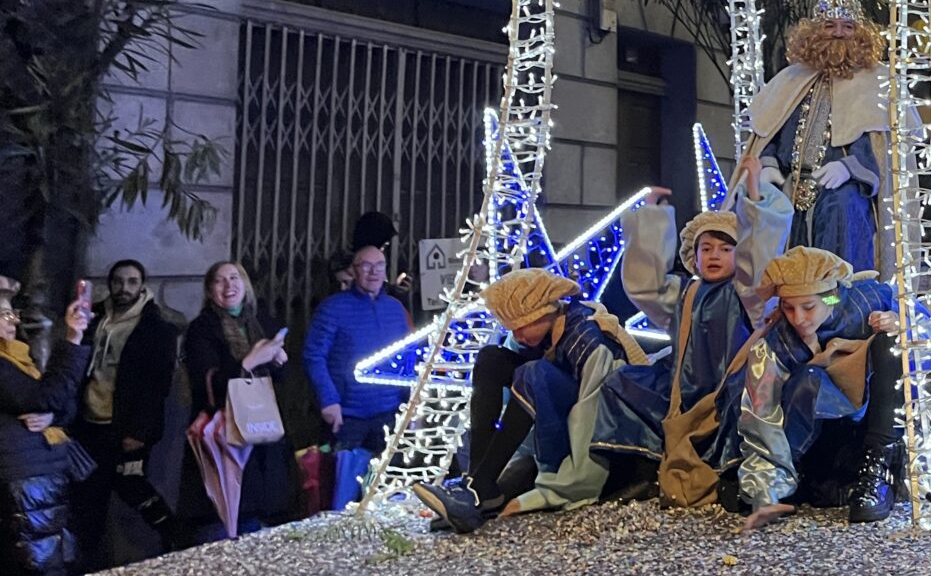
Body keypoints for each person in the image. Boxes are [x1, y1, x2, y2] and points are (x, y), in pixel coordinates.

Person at [414, 268, 650, 533]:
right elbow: (510, 403)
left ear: (545, 312)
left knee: (532, 373)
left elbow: (592, 418)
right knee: (491, 358)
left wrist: (551, 493)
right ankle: (475, 486)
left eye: (521, 326)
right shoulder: (538, 337)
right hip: (554, 425)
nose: (517, 336)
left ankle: (478, 492)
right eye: (512, 329)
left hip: (609, 446)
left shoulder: (589, 341)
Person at [593, 186, 788, 505]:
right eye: (706, 248)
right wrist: (652, 215)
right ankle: (644, 473)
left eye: (726, 249)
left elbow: (759, 263)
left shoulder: (746, 292)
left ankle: (732, 477)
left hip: (730, 383)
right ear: (693, 256)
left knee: (747, 399)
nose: (714, 255)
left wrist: (755, 198)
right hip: (681, 387)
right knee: (622, 384)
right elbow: (647, 286)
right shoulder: (684, 293)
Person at [737, 247, 904, 531]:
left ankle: (880, 471)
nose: (799, 318)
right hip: (816, 437)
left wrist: (903, 322)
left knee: (893, 342)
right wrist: (767, 489)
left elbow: (929, 326)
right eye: (788, 308)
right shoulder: (776, 344)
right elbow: (760, 415)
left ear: (829, 297)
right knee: (809, 379)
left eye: (808, 307)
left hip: (874, 420)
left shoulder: (865, 299)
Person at [742, 0, 892, 276]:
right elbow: (769, 130)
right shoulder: (791, 79)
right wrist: (769, 166)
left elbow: (883, 147)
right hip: (790, 183)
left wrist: (850, 168)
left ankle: (836, 303)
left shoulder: (877, 81)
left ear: (860, 33)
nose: (838, 33)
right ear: (813, 32)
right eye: (829, 25)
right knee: (779, 240)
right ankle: (783, 309)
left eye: (847, 26)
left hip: (843, 188)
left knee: (842, 213)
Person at [75, 259, 181, 564]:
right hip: (90, 420)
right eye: (119, 281)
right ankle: (89, 561)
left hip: (127, 424)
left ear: (142, 285)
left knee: (131, 485)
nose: (124, 288)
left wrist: (139, 431)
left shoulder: (155, 327)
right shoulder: (93, 318)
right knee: (89, 493)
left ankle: (173, 534)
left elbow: (157, 385)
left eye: (132, 281)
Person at [178, 262, 290, 541]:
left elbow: (278, 381)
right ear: (209, 290)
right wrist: (251, 360)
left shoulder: (261, 321)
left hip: (260, 435)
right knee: (221, 523)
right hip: (224, 438)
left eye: (234, 277)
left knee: (258, 525)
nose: (229, 286)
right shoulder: (201, 328)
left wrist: (278, 361)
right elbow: (207, 385)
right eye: (219, 281)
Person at [0, 290, 95, 576]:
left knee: (51, 564)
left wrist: (51, 415)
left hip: (39, 479)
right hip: (25, 482)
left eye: (11, 312)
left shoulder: (17, 357)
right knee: (39, 569)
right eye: (3, 314)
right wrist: (72, 340)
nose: (12, 320)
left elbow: (60, 403)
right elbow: (48, 396)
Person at [303, 245, 411, 462]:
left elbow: (408, 355)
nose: (374, 272)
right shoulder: (332, 308)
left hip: (390, 414)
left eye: (380, 265)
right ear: (354, 271)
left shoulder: (395, 309)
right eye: (366, 266)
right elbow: (313, 356)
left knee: (388, 484)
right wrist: (329, 400)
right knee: (344, 486)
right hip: (346, 417)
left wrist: (411, 402)